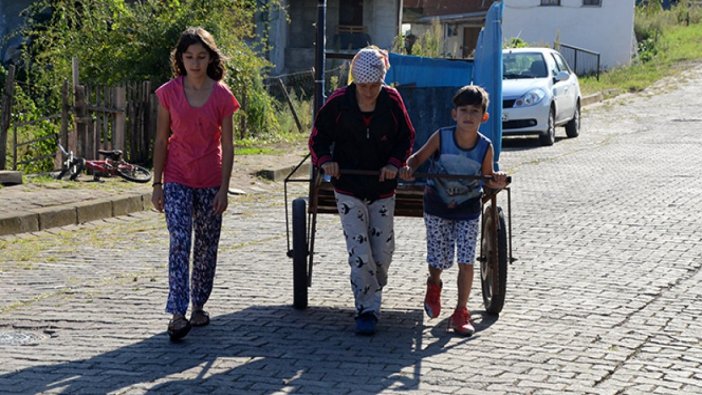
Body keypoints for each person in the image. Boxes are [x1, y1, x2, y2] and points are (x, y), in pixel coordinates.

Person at [309, 46, 415, 335]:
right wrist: (327, 161)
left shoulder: (392, 101)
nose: (369, 92)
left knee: (382, 252)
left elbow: (406, 136)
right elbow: (317, 139)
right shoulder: (338, 103)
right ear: (355, 82)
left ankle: (372, 286)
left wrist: (395, 163)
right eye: (363, 86)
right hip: (348, 187)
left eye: (375, 85)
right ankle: (367, 309)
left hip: (382, 187)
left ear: (382, 81)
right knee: (359, 248)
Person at [151, 27, 240, 341]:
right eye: (189, 56)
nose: (195, 62)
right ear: (180, 59)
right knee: (179, 241)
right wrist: (156, 183)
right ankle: (177, 312)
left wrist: (224, 188)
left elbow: (228, 146)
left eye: (201, 56)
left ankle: (199, 303)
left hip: (210, 180)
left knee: (205, 245)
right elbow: (161, 139)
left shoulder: (222, 95)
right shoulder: (168, 93)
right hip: (176, 177)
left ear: (210, 58)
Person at [399, 85, 507, 336]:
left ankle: (461, 310)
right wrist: (408, 167)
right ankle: (434, 284)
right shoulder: (442, 137)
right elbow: (418, 158)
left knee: (466, 260)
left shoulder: (485, 147)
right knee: (438, 257)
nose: (469, 116)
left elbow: (487, 178)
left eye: (475, 111)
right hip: (436, 205)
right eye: (464, 110)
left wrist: (497, 179)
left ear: (484, 116)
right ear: (454, 113)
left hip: (468, 208)